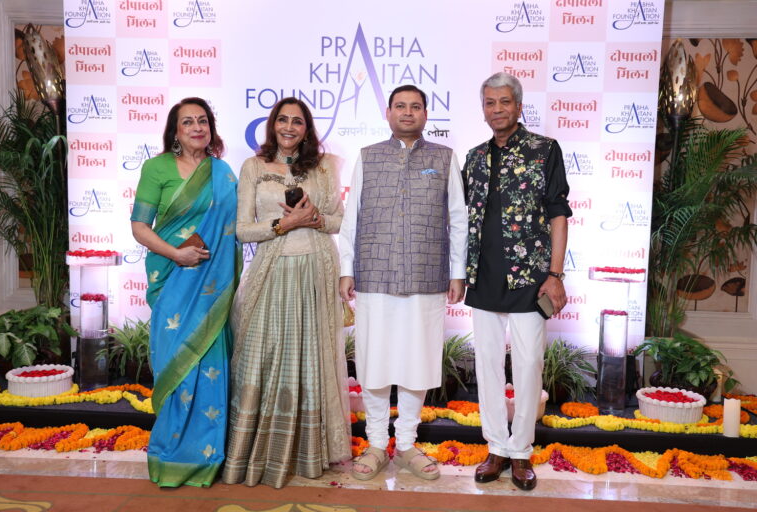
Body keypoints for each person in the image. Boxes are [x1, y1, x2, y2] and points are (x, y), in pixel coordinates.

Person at [339, 85, 468, 481]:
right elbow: (352, 215)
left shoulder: (444, 157)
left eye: (415, 106)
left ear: (426, 114)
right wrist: (346, 267)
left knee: (418, 361)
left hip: (427, 275)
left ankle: (408, 444)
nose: (407, 112)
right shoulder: (368, 156)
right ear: (388, 113)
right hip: (374, 274)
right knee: (374, 362)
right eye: (400, 106)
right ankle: (378, 444)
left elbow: (458, 218)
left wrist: (457, 272)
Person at [222, 97, 351, 489]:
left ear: (307, 128)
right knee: (262, 354)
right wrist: (284, 224)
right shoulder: (254, 167)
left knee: (313, 358)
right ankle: (258, 451)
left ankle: (308, 451)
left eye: (297, 121)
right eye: (283, 120)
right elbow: (242, 229)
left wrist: (313, 218)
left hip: (316, 271)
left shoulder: (324, 167)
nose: (289, 127)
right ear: (272, 125)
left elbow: (339, 221)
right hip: (272, 270)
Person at [463, 72, 572, 490]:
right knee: (488, 366)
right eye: (490, 103)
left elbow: (558, 214)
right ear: (483, 109)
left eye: (504, 102)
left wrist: (555, 275)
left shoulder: (545, 150)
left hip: (531, 278)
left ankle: (521, 451)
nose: (497, 110)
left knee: (528, 366)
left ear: (519, 106)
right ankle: (495, 448)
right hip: (484, 277)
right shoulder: (474, 157)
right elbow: (461, 218)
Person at [130, 97, 240, 487]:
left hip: (212, 289)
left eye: (202, 121)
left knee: (210, 368)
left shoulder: (223, 173)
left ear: (211, 128)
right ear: (175, 132)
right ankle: (171, 456)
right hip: (173, 281)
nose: (197, 127)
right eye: (188, 122)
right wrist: (176, 254)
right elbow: (139, 227)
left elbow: (236, 228)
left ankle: (208, 460)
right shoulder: (157, 168)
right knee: (177, 367)